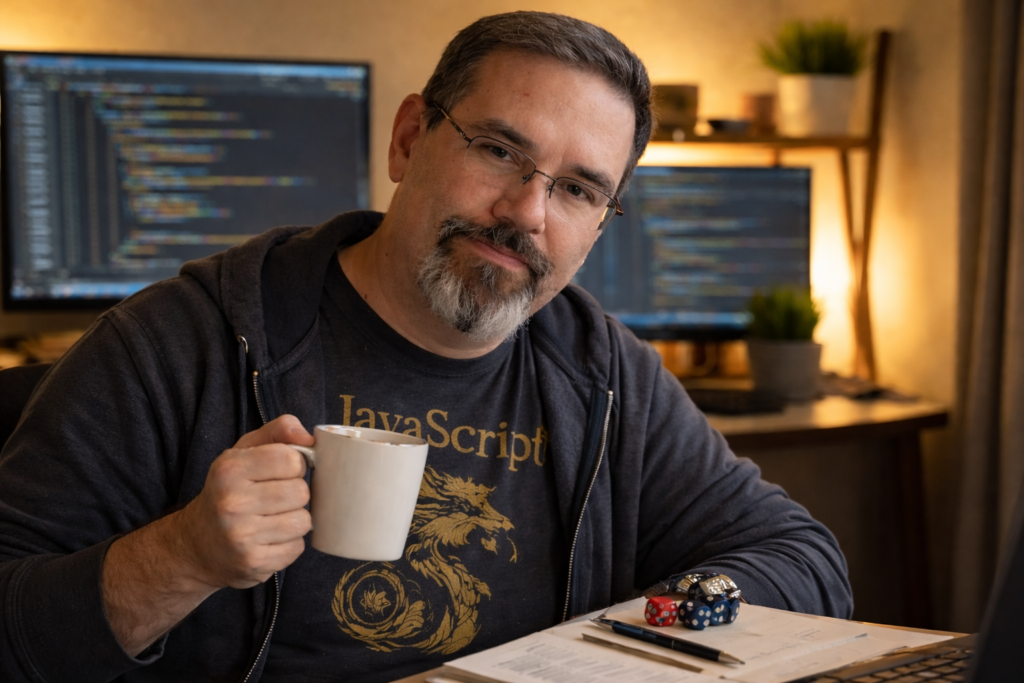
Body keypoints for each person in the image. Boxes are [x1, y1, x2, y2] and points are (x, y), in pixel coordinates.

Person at [0, 11, 852, 683]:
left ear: (598, 225)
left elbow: (807, 561)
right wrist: (182, 555)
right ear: (409, 139)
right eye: (498, 149)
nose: (526, 211)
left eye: (579, 188)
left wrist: (650, 630)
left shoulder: (603, 372)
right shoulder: (178, 342)